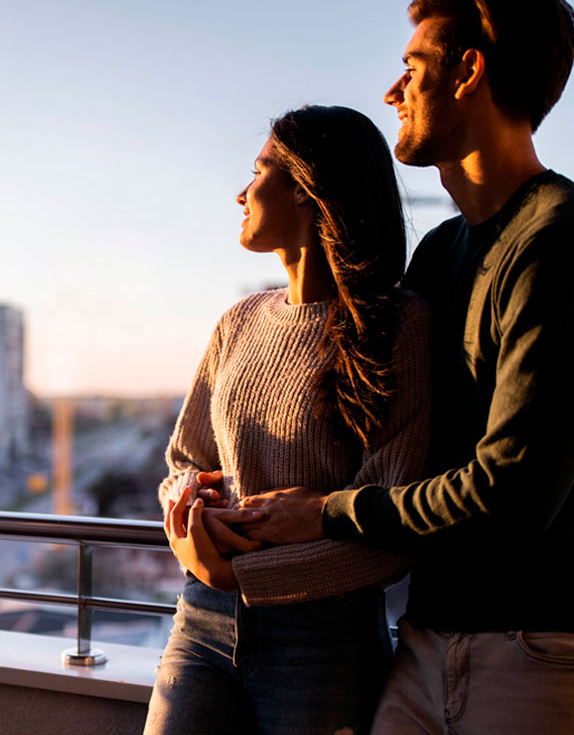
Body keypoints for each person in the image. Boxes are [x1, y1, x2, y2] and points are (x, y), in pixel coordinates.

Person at [237, 0, 574, 734]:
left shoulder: (571, 242)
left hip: (548, 651)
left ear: (468, 72)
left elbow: (510, 497)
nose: (394, 89)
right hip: (426, 642)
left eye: (414, 66)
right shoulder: (440, 253)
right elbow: (381, 428)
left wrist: (325, 513)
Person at [143, 105, 431, 735]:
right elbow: (184, 460)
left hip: (322, 643)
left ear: (307, 191)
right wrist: (189, 511)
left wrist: (239, 571)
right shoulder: (238, 321)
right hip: (200, 624)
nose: (241, 192)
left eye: (257, 171)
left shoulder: (398, 328)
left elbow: (394, 524)